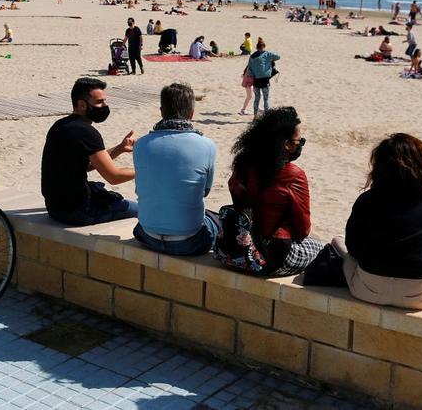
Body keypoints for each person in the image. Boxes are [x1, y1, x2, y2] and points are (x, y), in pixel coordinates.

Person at [332, 133, 422, 309]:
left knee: (337, 241)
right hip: (419, 295)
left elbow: (353, 247)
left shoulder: (366, 201)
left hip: (368, 289)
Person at [226, 107, 326, 276]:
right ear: (286, 145)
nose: (300, 145)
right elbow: (303, 229)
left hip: (242, 247)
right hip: (273, 254)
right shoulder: (294, 175)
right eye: (299, 142)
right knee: (323, 248)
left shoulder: (243, 166)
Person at [133, 83, 218, 255]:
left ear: (161, 111)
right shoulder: (206, 146)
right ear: (191, 113)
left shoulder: (140, 144)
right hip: (190, 241)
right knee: (216, 221)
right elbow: (205, 191)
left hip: (147, 235)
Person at [40, 78, 137, 226]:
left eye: (105, 101)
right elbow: (114, 177)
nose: (105, 106)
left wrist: (120, 148)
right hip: (79, 211)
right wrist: (149, 170)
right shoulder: (87, 132)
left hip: (55, 207)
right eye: (99, 102)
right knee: (141, 210)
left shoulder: (60, 125)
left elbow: (85, 165)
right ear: (81, 104)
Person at [246, 38, 280, 117]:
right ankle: (266, 117)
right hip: (265, 80)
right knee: (266, 99)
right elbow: (278, 57)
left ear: (256, 47)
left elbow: (249, 69)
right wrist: (271, 59)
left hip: (256, 80)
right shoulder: (267, 53)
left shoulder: (252, 56)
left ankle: (255, 116)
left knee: (257, 99)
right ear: (264, 46)